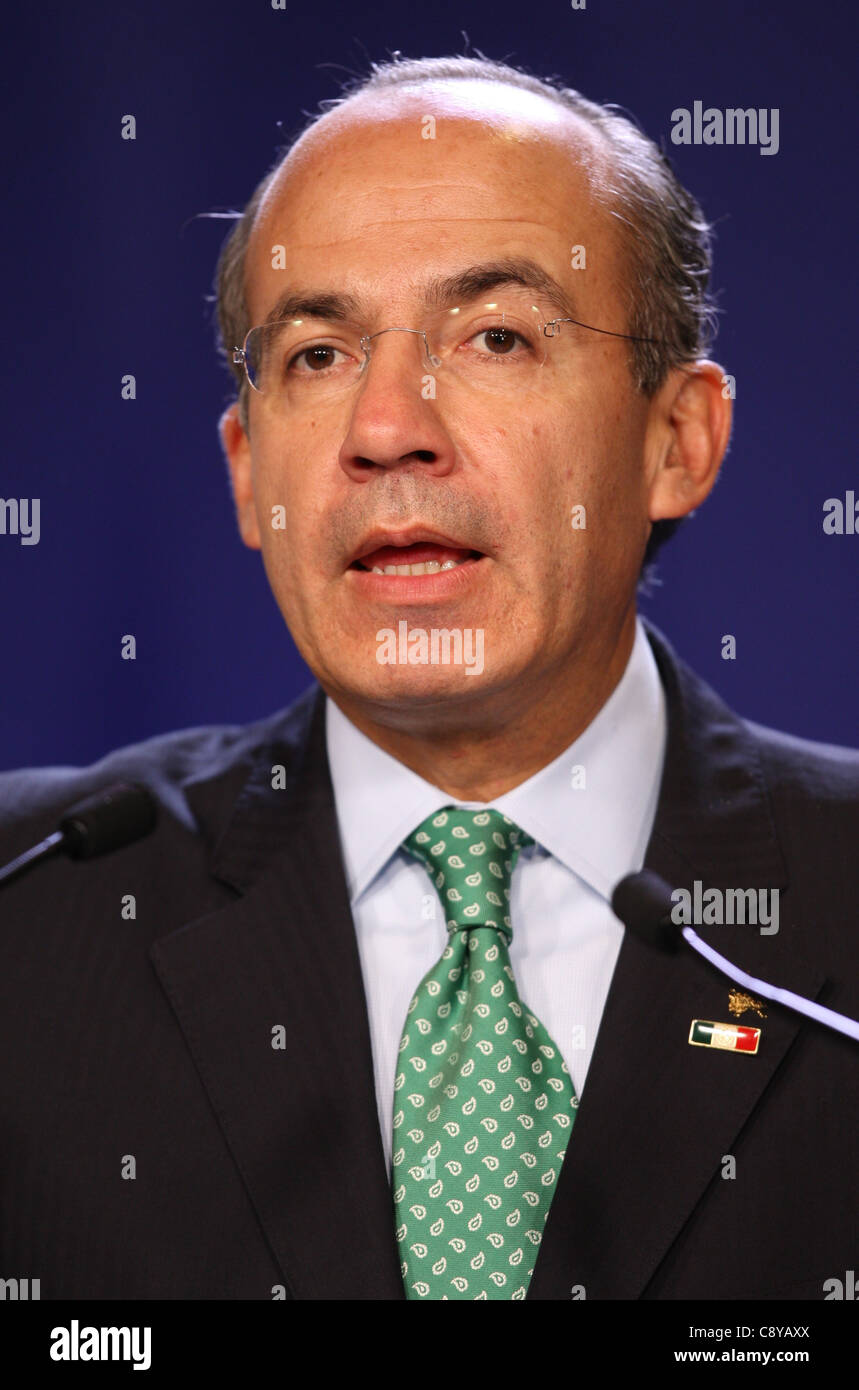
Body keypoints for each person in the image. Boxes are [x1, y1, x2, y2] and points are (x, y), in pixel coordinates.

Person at [0, 55, 856, 1302]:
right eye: (316, 353)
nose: (386, 424)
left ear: (677, 439)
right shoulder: (30, 910)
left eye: (496, 335)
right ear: (248, 474)